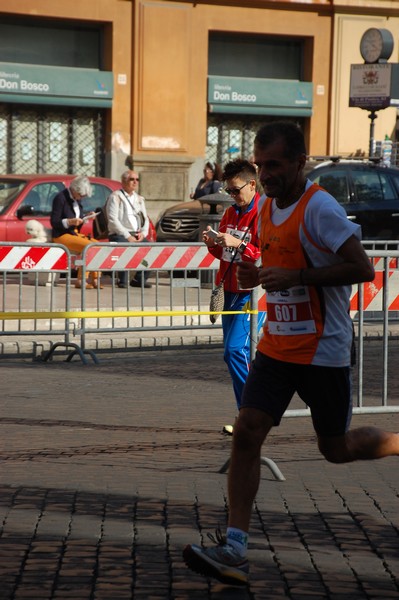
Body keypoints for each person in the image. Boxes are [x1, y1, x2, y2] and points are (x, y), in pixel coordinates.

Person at [183, 121, 399, 587]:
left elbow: (362, 268)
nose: (266, 176)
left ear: (300, 162)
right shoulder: (264, 209)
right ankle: (235, 547)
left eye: (275, 165)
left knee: (335, 449)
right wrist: (257, 276)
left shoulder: (319, 207)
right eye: (261, 167)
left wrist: (298, 277)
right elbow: (274, 264)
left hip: (323, 351)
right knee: (246, 431)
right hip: (278, 347)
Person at [203, 158, 264, 434]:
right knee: (233, 355)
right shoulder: (230, 214)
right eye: (228, 191)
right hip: (229, 290)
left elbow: (266, 256)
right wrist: (214, 244)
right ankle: (249, 415)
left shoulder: (265, 212)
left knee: (235, 351)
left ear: (252, 185)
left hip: (253, 294)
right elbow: (225, 255)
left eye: (236, 190)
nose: (232, 196)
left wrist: (238, 243)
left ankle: (252, 416)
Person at [51, 175, 102, 289]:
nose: (81, 198)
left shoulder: (77, 201)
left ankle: (95, 279)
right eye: (81, 195)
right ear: (74, 189)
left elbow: (78, 219)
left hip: (73, 233)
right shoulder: (60, 198)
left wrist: (85, 217)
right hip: (62, 234)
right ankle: (81, 280)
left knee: (98, 245)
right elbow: (54, 222)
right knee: (90, 247)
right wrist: (70, 222)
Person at [106, 170, 152, 289]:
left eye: (137, 179)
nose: (135, 182)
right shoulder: (116, 196)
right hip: (120, 233)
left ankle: (139, 279)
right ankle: (123, 280)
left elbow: (145, 219)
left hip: (136, 233)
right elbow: (112, 219)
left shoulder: (139, 199)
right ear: (124, 181)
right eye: (132, 179)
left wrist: (143, 233)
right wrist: (127, 236)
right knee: (125, 247)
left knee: (151, 249)